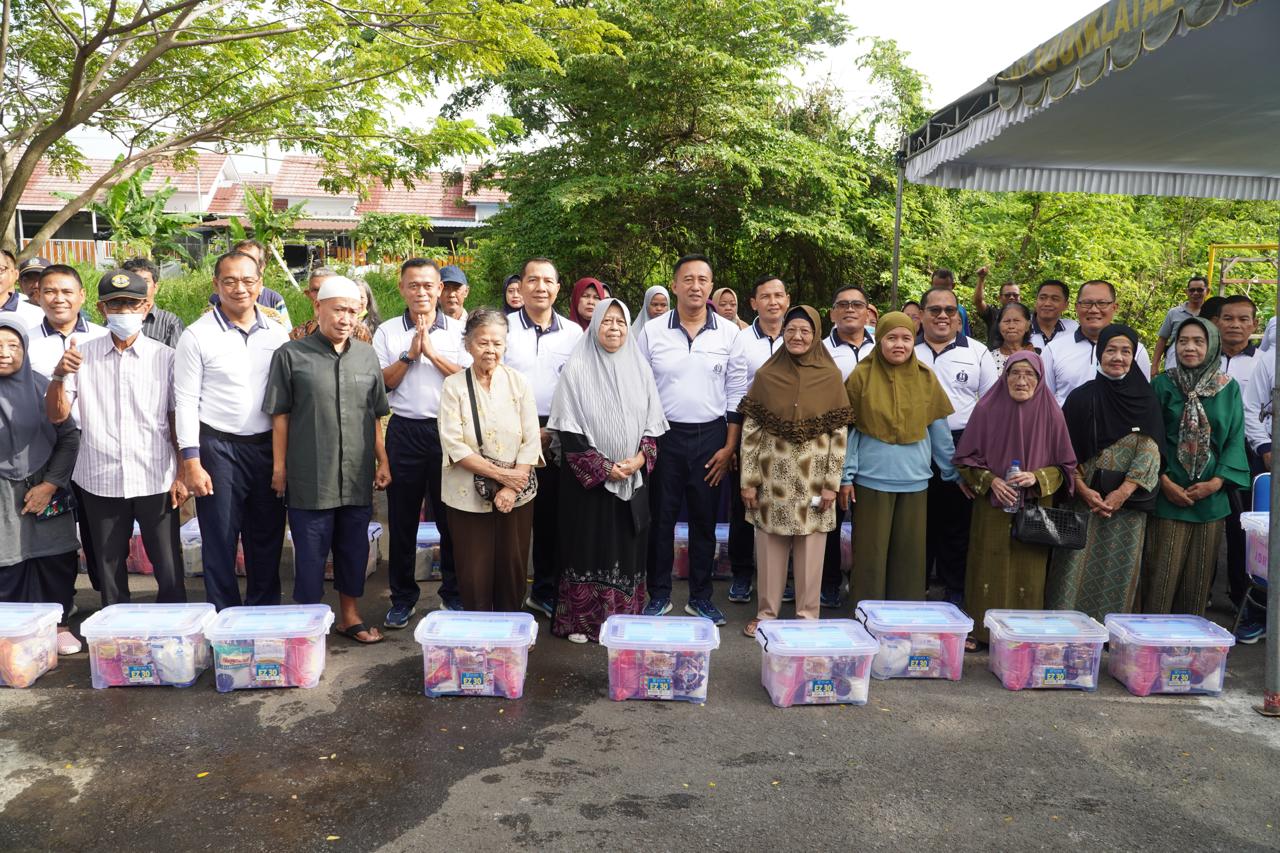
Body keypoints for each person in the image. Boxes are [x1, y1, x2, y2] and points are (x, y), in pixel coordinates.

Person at [45, 269, 188, 607]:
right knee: (109, 565)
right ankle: (116, 636)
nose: (124, 310)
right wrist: (59, 374)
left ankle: (175, 630)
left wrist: (182, 472)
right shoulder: (81, 355)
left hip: (155, 475)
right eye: (115, 304)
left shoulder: (164, 357)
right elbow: (57, 415)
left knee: (168, 565)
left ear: (147, 305)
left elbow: (174, 418)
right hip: (100, 478)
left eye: (132, 303)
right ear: (101, 308)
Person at [263, 276, 391, 643]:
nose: (345, 318)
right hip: (310, 474)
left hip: (355, 473)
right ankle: (308, 620)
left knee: (353, 548)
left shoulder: (366, 355)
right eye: (338, 309)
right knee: (310, 552)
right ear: (318, 307)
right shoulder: (291, 355)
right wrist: (279, 467)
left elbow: (375, 414)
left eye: (353, 311)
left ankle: (349, 616)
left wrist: (382, 460)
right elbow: (280, 415)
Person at [175, 250, 291, 610]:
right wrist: (191, 462)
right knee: (220, 537)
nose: (239, 288)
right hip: (218, 449)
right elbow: (185, 401)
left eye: (248, 280)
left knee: (267, 535)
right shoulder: (197, 335)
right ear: (216, 284)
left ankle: (262, 612)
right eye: (230, 281)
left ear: (260, 284)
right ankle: (223, 615)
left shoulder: (278, 333)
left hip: (267, 447)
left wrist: (283, 460)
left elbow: (286, 399)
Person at [548, 299, 667, 642]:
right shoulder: (577, 367)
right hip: (588, 485)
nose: (614, 328)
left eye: (620, 322)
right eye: (606, 321)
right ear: (595, 325)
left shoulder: (640, 368)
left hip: (632, 476)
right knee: (587, 545)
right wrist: (603, 468)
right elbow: (567, 429)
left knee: (626, 547)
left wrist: (640, 460)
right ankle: (582, 623)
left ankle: (622, 619)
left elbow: (653, 425)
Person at [637, 254, 746, 625]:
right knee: (660, 519)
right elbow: (641, 387)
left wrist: (730, 446)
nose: (695, 286)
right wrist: (647, 440)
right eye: (688, 279)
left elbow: (735, 393)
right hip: (664, 434)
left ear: (711, 286)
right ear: (675, 284)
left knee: (704, 521)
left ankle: (701, 597)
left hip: (712, 437)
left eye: (703, 279)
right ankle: (659, 594)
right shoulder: (652, 331)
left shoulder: (730, 333)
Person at [739, 306, 853, 636]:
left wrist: (832, 483)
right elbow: (751, 434)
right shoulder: (766, 375)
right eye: (791, 331)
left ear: (816, 335)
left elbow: (838, 436)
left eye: (805, 331)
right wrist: (748, 482)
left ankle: (807, 616)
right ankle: (766, 614)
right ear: (782, 334)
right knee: (770, 548)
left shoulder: (830, 377)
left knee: (811, 551)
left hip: (815, 481)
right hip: (772, 481)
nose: (797, 336)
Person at [953, 352, 1077, 647]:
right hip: (992, 506)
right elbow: (964, 460)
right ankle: (982, 631)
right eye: (1015, 374)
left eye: (1029, 375)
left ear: (1039, 378)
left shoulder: (1052, 412)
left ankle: (1024, 633)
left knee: (1029, 572)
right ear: (1004, 376)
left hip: (1034, 508)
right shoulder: (986, 409)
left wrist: (1036, 477)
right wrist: (991, 481)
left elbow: (1066, 467)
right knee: (986, 564)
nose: (1021, 381)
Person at [1046, 324, 1165, 624]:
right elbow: (1063, 450)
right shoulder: (1081, 397)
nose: (1118, 357)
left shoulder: (1146, 398)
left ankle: (1112, 630)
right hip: (1084, 498)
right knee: (1073, 565)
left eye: (1126, 351)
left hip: (1126, 505)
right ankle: (1067, 624)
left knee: (1118, 567)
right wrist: (1083, 489)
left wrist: (1123, 491)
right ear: (1100, 354)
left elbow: (1152, 448)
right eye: (1111, 350)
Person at [374, 258, 470, 624]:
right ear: (402, 288)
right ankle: (402, 597)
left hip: (448, 433)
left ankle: (454, 593)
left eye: (429, 285)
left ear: (440, 290)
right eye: (413, 285)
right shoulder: (387, 331)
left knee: (451, 520)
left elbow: (468, 378)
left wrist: (432, 353)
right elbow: (384, 381)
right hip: (404, 431)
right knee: (402, 522)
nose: (422, 292)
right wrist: (411, 355)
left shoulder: (460, 330)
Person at [841, 311, 956, 603]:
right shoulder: (861, 376)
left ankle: (903, 622)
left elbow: (939, 431)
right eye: (891, 338)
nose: (899, 345)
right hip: (871, 481)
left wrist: (953, 473)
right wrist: (846, 477)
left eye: (906, 338)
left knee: (910, 558)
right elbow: (850, 433)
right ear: (879, 341)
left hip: (915, 481)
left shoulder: (925, 377)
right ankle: (865, 617)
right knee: (870, 556)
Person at [1142, 318, 1249, 616]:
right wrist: (1163, 481)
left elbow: (1234, 439)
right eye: (1183, 341)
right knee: (1159, 579)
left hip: (1211, 499)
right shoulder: (1162, 384)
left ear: (1211, 345)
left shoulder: (1228, 388)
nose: (1189, 347)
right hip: (1168, 494)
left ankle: (1187, 653)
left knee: (1197, 583)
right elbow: (1149, 438)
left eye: (1198, 341)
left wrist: (1216, 483)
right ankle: (1150, 651)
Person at [438, 309, 542, 612]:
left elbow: (531, 438)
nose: (491, 350)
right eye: (483, 343)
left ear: (506, 345)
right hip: (466, 491)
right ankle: (479, 632)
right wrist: (502, 475)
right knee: (473, 566)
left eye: (497, 343)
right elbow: (453, 444)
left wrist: (512, 485)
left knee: (513, 562)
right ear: (469, 345)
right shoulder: (454, 386)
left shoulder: (518, 383)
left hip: (517, 492)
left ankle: (512, 629)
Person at [503, 258, 584, 618]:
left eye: (547, 281)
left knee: (552, 517)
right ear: (519, 286)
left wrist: (553, 429)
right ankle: (510, 591)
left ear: (557, 288)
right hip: (508, 432)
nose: (540, 287)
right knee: (511, 515)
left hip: (556, 431)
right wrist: (522, 431)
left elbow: (580, 387)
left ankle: (546, 589)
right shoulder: (501, 328)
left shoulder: (573, 333)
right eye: (532, 280)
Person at [0, 318, 83, 655]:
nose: (5, 354)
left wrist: (50, 484)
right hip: (3, 492)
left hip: (46, 483)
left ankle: (59, 623)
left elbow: (69, 437)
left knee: (55, 556)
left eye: (13, 346)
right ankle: (12, 631)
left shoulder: (42, 386)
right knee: (8, 561)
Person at [916, 287, 999, 606]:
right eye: (934, 310)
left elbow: (991, 409)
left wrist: (978, 459)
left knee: (957, 526)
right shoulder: (908, 349)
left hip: (961, 445)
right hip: (915, 446)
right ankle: (915, 592)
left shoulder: (978, 352)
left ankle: (955, 595)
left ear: (959, 317)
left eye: (949, 310)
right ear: (922, 315)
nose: (942, 316)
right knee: (918, 525)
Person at [724, 275, 791, 605]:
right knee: (744, 505)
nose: (773, 302)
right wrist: (733, 440)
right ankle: (741, 574)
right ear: (753, 303)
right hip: (750, 433)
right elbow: (734, 390)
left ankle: (784, 576)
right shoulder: (741, 340)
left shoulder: (798, 337)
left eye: (778, 295)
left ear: (787, 300)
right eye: (766, 296)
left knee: (786, 502)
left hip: (790, 438)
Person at [820, 284, 876, 608]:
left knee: (867, 517)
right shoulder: (821, 350)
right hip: (829, 442)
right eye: (843, 304)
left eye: (857, 304)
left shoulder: (881, 347)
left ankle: (862, 583)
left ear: (869, 312)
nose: (850, 309)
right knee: (830, 516)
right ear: (832, 313)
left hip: (870, 442)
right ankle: (829, 582)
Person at [1041, 280, 1151, 405]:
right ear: (1077, 307)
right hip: (1066, 423)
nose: (1094, 310)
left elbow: (1142, 398)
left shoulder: (1135, 350)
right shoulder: (1054, 349)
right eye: (1087, 303)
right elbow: (1045, 401)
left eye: (1102, 303)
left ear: (1114, 307)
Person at [1241, 337, 1274, 642]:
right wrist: (1265, 447)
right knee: (1264, 540)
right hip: (1271, 459)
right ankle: (1258, 614)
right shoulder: (1270, 358)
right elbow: (1251, 409)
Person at [26, 265, 107, 380]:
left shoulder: (104, 336)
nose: (59, 299)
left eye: (67, 292)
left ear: (82, 296)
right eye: (50, 292)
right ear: (38, 296)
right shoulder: (24, 342)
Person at [207, 239, 291, 328]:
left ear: (262, 267)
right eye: (239, 258)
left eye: (250, 260)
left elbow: (287, 333)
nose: (240, 289)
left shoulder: (274, 299)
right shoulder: (216, 299)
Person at [291, 268, 373, 344]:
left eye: (328, 289)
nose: (321, 294)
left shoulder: (358, 332)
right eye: (316, 290)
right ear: (308, 294)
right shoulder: (298, 334)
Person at [122, 257, 186, 349]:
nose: (140, 286)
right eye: (135, 281)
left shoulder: (170, 323)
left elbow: (176, 360)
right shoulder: (115, 319)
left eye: (145, 281)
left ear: (155, 287)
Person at [1152, 275, 1209, 376]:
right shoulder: (1174, 313)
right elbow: (1162, 339)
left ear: (1207, 291)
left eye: (1200, 290)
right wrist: (1155, 365)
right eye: (1192, 290)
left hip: (1202, 362)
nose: (1195, 293)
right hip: (1174, 361)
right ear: (1186, 292)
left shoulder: (1211, 314)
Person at [973, 267, 1020, 347]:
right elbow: (978, 301)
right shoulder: (993, 315)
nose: (1012, 297)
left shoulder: (1028, 316)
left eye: (1015, 295)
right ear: (1000, 298)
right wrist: (981, 279)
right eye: (1007, 295)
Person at [0, 249, 44, 331]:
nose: (36, 285)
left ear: (14, 274)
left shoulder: (37, 315)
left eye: (0, 270)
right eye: (29, 279)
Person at [988, 301, 1037, 373]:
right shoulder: (989, 358)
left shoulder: (1037, 355)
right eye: (1006, 321)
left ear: (1027, 325)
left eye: (1016, 321)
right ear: (999, 326)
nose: (1011, 326)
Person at [1029, 280, 1078, 350]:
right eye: (1042, 298)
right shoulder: (1021, 327)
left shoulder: (1072, 329)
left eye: (1055, 299)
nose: (1047, 303)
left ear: (1066, 305)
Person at [927, 269, 972, 338]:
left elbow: (965, 337)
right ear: (931, 285)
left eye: (945, 288)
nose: (941, 291)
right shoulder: (925, 308)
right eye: (937, 287)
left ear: (953, 286)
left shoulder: (960, 310)